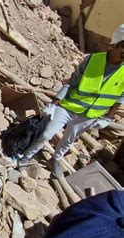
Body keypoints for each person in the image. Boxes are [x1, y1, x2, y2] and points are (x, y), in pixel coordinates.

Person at [20, 24, 124, 177]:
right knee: (46, 134)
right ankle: (26, 156)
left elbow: (120, 97)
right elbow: (72, 81)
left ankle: (56, 159)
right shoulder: (93, 60)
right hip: (69, 106)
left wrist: (108, 118)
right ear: (118, 44)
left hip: (89, 115)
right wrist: (53, 103)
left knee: (68, 140)